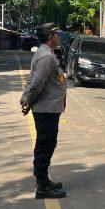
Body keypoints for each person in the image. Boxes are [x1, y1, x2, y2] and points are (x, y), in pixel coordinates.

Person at [20, 23, 68, 199]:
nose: (59, 36)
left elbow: (33, 78)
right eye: (56, 34)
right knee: (45, 145)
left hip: (48, 108)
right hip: (46, 109)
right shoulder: (46, 57)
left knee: (46, 144)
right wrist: (27, 100)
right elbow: (37, 82)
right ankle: (42, 187)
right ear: (50, 36)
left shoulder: (45, 54)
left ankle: (44, 180)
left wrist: (27, 99)